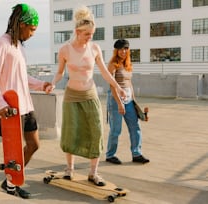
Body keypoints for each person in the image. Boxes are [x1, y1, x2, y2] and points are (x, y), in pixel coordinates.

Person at [51, 6, 126, 186]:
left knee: (96, 130)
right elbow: (60, 72)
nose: (90, 37)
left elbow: (106, 73)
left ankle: (93, 173)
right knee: (71, 131)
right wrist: (53, 83)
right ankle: (69, 169)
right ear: (77, 31)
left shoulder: (94, 48)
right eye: (87, 34)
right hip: (72, 96)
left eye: (92, 34)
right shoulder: (65, 50)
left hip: (90, 94)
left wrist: (118, 87)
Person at [0, 3, 52, 199]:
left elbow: (22, 77)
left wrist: (41, 85)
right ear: (21, 24)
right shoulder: (2, 44)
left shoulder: (18, 47)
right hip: (11, 110)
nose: (33, 34)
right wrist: (0, 104)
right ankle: (11, 184)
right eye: (32, 29)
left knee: (34, 145)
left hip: (26, 105)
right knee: (13, 152)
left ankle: (10, 179)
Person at [105, 39, 150, 165]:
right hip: (115, 100)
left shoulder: (129, 64)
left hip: (129, 100)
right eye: (120, 49)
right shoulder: (113, 64)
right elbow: (112, 85)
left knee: (135, 127)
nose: (123, 51)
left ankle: (137, 154)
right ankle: (110, 155)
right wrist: (119, 103)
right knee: (116, 129)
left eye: (125, 49)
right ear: (116, 51)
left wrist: (134, 102)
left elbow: (129, 84)